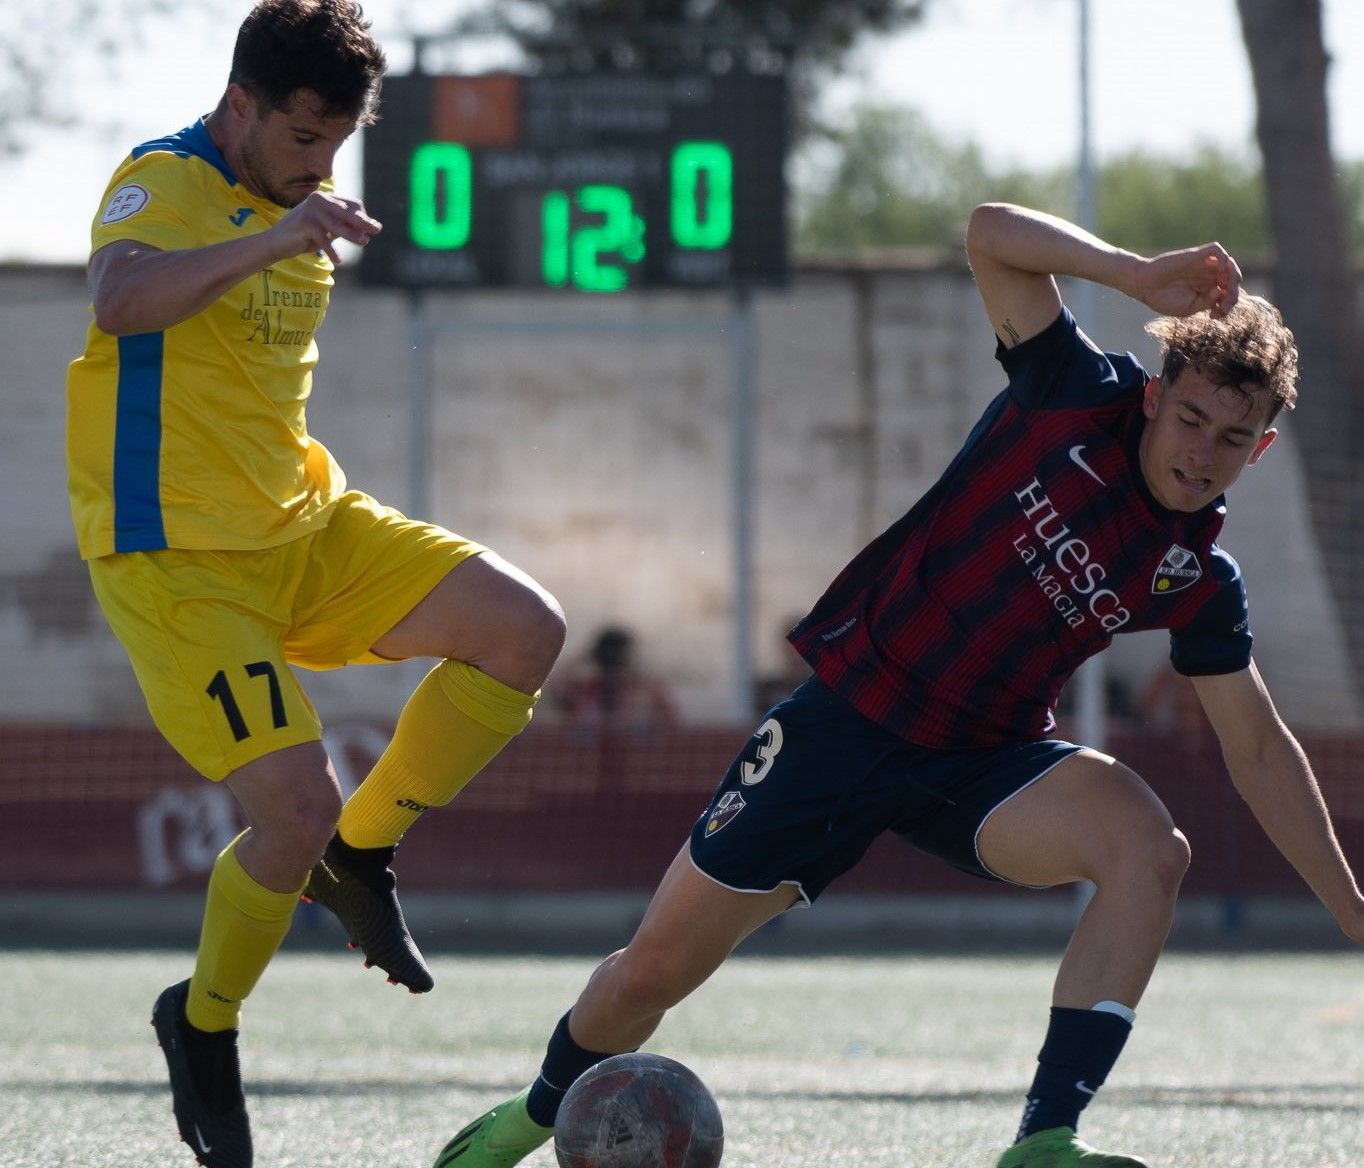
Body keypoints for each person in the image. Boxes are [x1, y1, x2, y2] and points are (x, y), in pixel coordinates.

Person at [429, 203, 1364, 1168]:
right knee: (650, 976)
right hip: (846, 721)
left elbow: (1256, 746)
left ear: (1260, 450)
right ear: (1155, 398)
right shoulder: (1071, 393)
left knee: (1149, 851)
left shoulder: (1198, 578)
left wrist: (1351, 910)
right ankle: (531, 1118)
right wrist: (1130, 273)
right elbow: (990, 233)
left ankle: (1044, 1141)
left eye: (1230, 437)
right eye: (1191, 417)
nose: (1199, 453)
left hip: (984, 763)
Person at [64, 3, 564, 1165]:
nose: (315, 169)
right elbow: (118, 299)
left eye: (333, 146)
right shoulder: (162, 177)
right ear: (240, 104)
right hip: (177, 559)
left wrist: (291, 221)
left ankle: (367, 851)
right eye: (298, 139)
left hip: (309, 526)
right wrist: (273, 239)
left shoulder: (299, 197)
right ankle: (202, 1023)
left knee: (523, 630)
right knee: (288, 809)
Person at [555, 625, 678, 731]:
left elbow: (670, 722)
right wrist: (586, 655)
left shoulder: (644, 691)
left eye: (618, 663)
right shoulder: (587, 690)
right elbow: (555, 689)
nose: (613, 672)